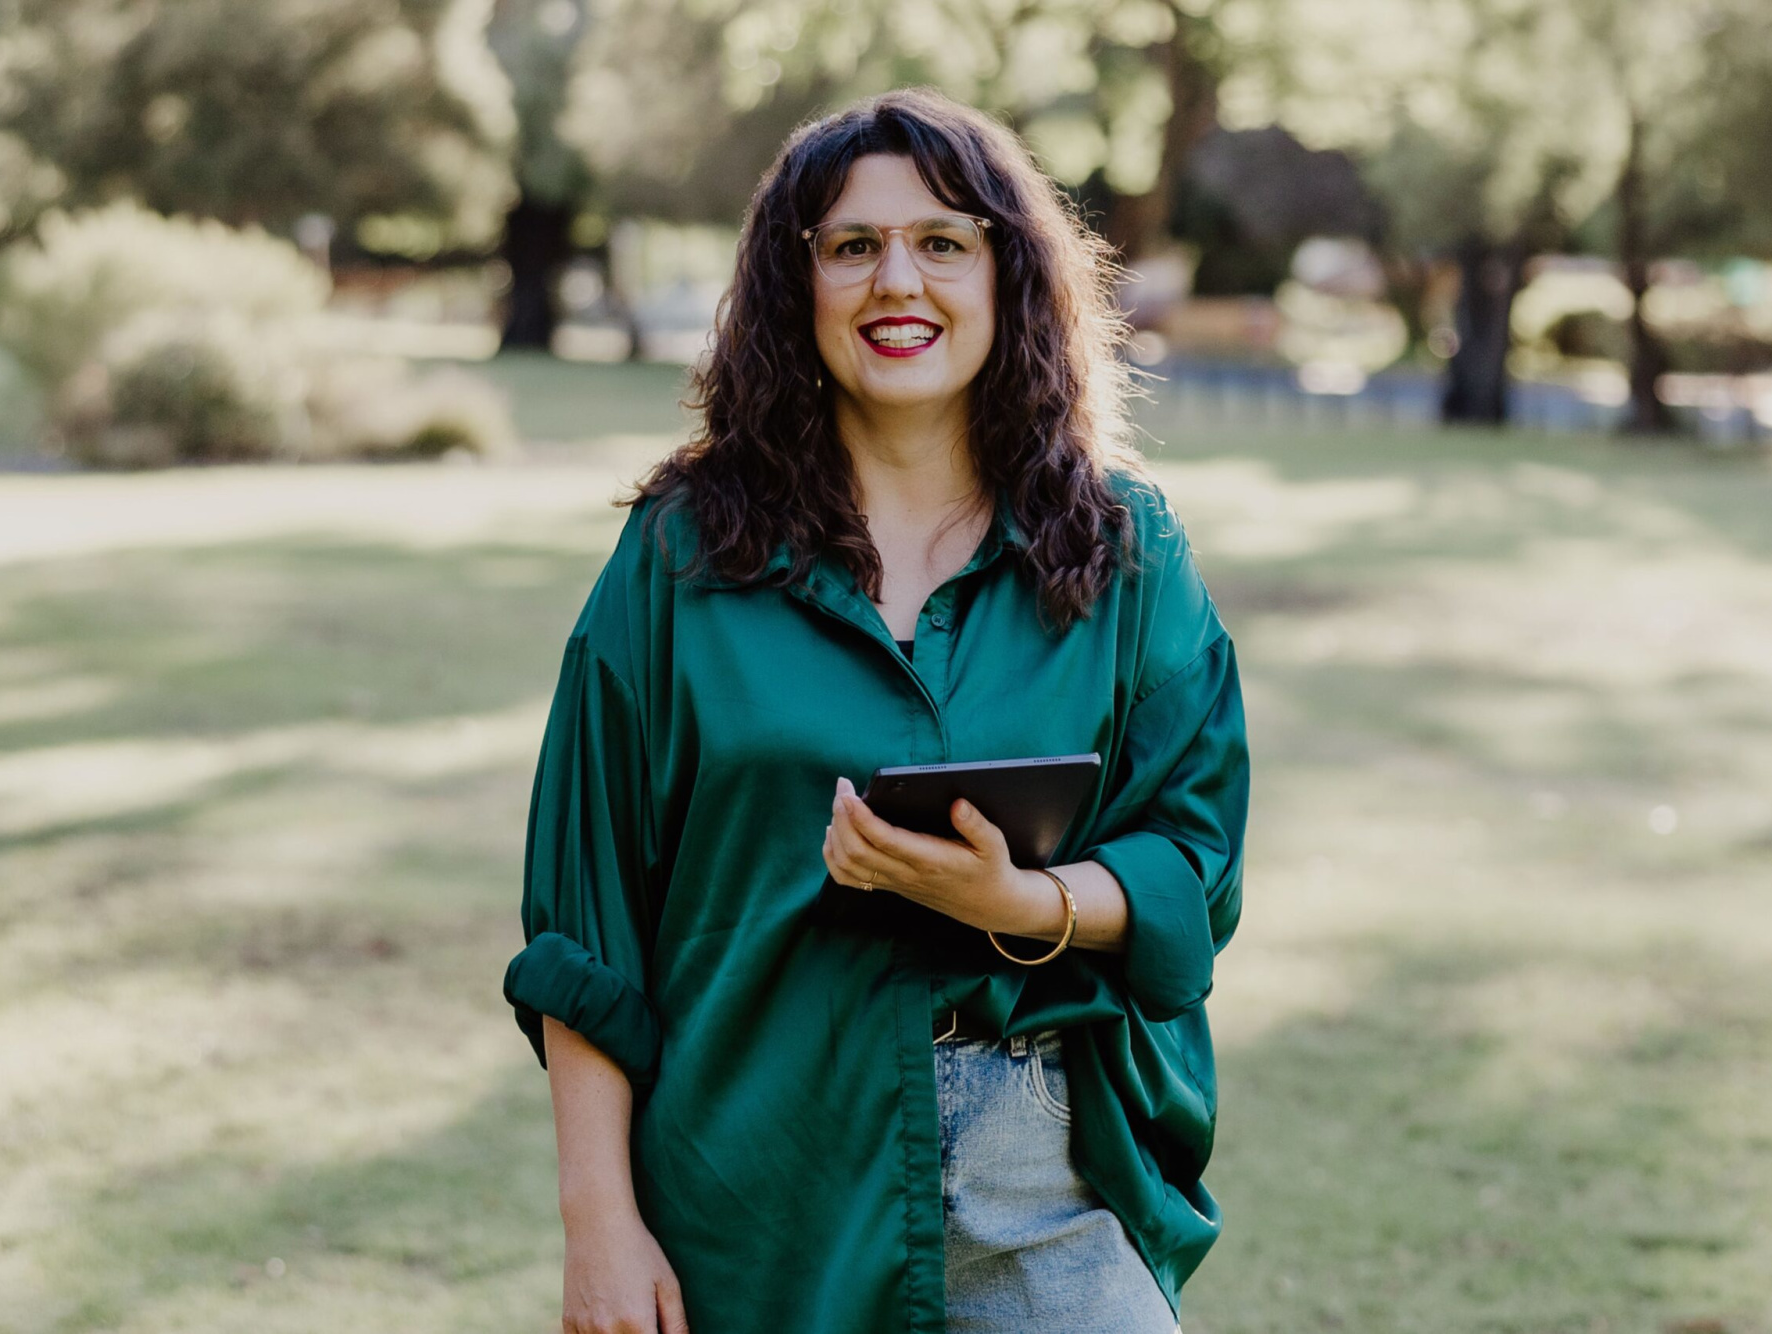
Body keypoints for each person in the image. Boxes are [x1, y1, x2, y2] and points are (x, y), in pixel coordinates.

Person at [503, 86, 1250, 1334]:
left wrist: (1021, 903)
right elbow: (587, 929)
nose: (894, 280)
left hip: (1045, 1178)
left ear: (1007, 277)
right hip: (756, 1180)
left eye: (941, 242)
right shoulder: (676, 560)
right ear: (793, 286)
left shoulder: (1127, 550)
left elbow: (1194, 857)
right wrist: (599, 1220)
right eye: (852, 246)